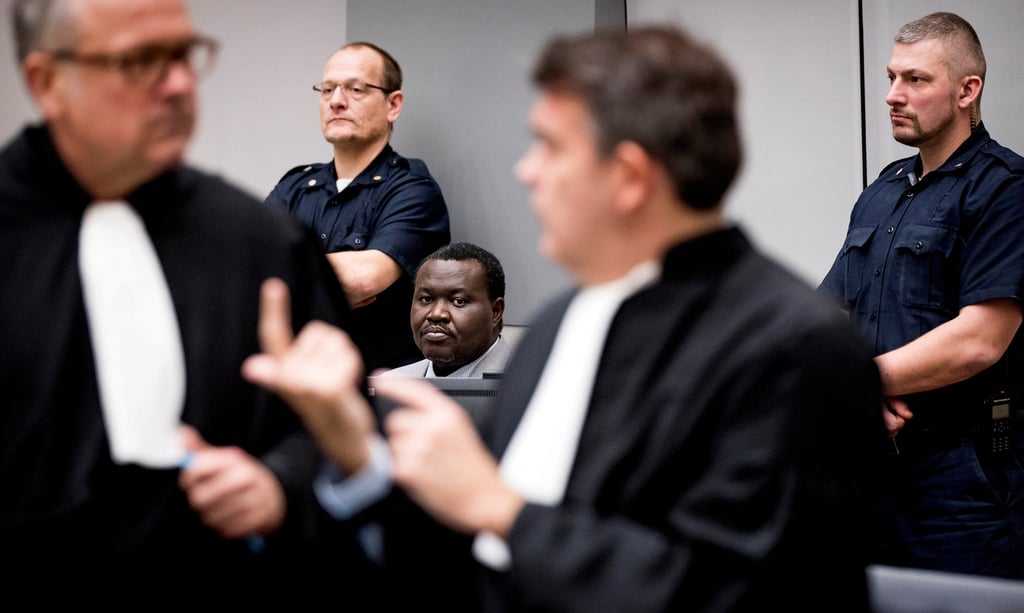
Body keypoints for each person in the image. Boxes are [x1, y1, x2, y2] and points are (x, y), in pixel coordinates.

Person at [243, 25, 883, 612]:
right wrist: (357, 451)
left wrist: (499, 508)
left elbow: (734, 594)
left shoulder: (795, 349)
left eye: (548, 147)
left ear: (628, 177)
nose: (526, 171)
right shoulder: (559, 327)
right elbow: (474, 566)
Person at [0, 0, 357, 598]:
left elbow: (335, 431)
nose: (181, 84)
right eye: (141, 61)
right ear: (47, 81)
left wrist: (275, 485)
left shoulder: (261, 240)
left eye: (185, 55)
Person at [819, 11, 1024, 579]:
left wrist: (858, 382)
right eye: (891, 77)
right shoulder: (882, 191)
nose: (893, 95)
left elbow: (979, 341)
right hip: (868, 471)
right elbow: (827, 314)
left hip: (961, 481)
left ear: (967, 90)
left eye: (916, 80)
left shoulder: (1006, 191)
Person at [264, 40, 450, 371]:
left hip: (379, 390)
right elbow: (245, 267)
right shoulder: (293, 187)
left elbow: (366, 277)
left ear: (393, 104)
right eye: (327, 89)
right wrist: (326, 281)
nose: (336, 101)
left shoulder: (412, 189)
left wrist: (280, 280)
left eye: (356, 89)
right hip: (297, 385)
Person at [383, 241, 511, 378]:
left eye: (458, 301)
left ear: (495, 312)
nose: (436, 314)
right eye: (426, 299)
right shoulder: (388, 386)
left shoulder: (528, 388)